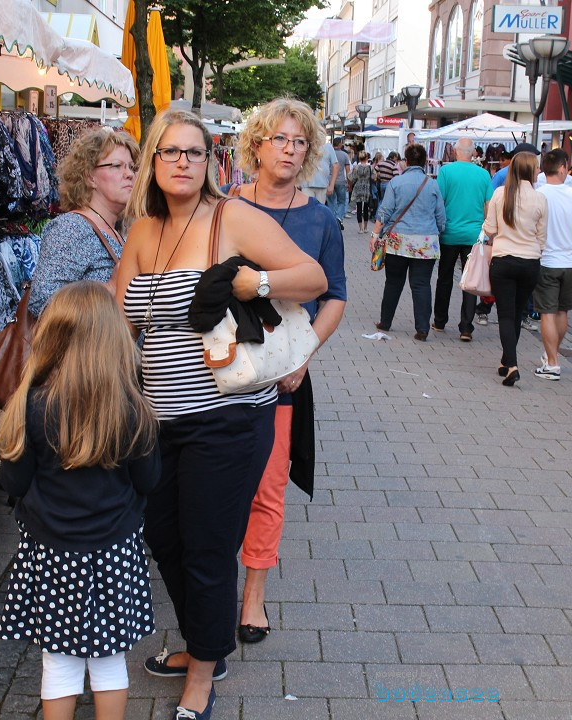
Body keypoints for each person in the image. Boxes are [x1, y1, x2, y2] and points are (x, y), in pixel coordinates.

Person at [115, 109, 326, 720]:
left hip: (228, 418)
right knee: (163, 539)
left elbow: (311, 277)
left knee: (207, 549)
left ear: (211, 162)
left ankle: (202, 675)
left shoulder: (230, 217)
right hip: (158, 420)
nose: (183, 162)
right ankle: (207, 643)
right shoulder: (142, 231)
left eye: (195, 152)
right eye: (170, 152)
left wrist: (254, 285)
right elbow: (118, 314)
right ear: (152, 162)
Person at [0, 281, 161, 720]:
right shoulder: (131, 408)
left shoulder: (31, 405)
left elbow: (13, 482)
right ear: (113, 339)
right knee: (109, 662)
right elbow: (149, 479)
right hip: (114, 548)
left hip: (51, 550)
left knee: (59, 663)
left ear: (52, 335)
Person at [230, 97, 347, 647]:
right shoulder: (226, 208)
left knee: (267, 488)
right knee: (216, 485)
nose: (291, 150)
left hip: (282, 375)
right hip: (220, 370)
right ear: (257, 143)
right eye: (280, 139)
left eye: (300, 142)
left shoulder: (320, 220)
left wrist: (304, 357)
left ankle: (253, 598)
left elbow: (337, 299)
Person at [29, 128, 139, 316]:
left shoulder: (114, 230)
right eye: (116, 166)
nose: (129, 174)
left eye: (131, 167)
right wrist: (110, 287)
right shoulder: (72, 228)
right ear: (90, 177)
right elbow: (42, 302)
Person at [483, 151, 547, 386]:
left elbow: (489, 229)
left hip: (503, 260)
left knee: (506, 315)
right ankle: (506, 361)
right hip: (530, 262)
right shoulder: (540, 199)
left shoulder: (500, 194)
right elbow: (542, 238)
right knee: (518, 313)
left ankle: (511, 364)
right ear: (531, 171)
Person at [371, 144, 446, 341]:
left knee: (393, 283)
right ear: (423, 162)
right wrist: (436, 231)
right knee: (421, 285)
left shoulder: (397, 183)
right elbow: (441, 216)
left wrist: (375, 235)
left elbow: (385, 211)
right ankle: (422, 328)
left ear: (405, 161)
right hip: (425, 243)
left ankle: (385, 322)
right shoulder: (432, 185)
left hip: (398, 240)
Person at [533, 149, 572, 381]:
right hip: (570, 261)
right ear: (564, 167)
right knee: (562, 311)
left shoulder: (539, 194)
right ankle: (552, 356)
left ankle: (553, 362)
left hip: (546, 260)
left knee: (547, 311)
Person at [433, 137, 493, 341]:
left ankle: (440, 320)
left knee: (444, 278)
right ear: (473, 152)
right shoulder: (484, 174)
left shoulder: (446, 172)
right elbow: (488, 206)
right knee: (471, 280)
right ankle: (466, 327)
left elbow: (439, 202)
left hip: (449, 233)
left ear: (456, 151)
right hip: (474, 236)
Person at [302, 136, 339, 206]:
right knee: (307, 211)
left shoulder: (328, 147)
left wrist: (332, 185)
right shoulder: (306, 145)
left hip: (322, 185)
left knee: (318, 212)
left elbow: (336, 166)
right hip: (306, 184)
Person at [327, 136, 351, 227]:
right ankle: (339, 217)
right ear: (340, 144)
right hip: (341, 181)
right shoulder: (345, 155)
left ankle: (332, 218)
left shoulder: (328, 153)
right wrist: (349, 183)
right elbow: (348, 171)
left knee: (331, 201)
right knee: (342, 201)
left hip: (329, 180)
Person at [349, 150, 375, 233]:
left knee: (359, 208)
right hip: (367, 188)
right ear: (367, 157)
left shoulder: (356, 167)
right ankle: (366, 227)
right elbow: (374, 177)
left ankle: (360, 228)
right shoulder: (370, 167)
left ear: (359, 158)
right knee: (366, 208)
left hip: (358, 188)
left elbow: (352, 178)